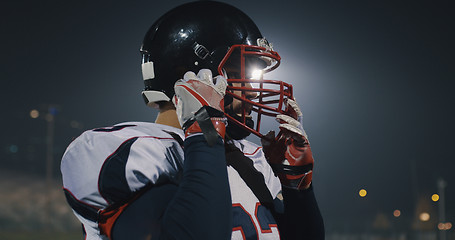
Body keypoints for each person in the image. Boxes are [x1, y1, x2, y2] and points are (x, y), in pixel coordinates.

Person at [61, 1, 324, 239]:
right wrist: (205, 131)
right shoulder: (128, 151)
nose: (253, 90)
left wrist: (297, 190)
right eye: (238, 73)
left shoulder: (250, 158)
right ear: (190, 74)